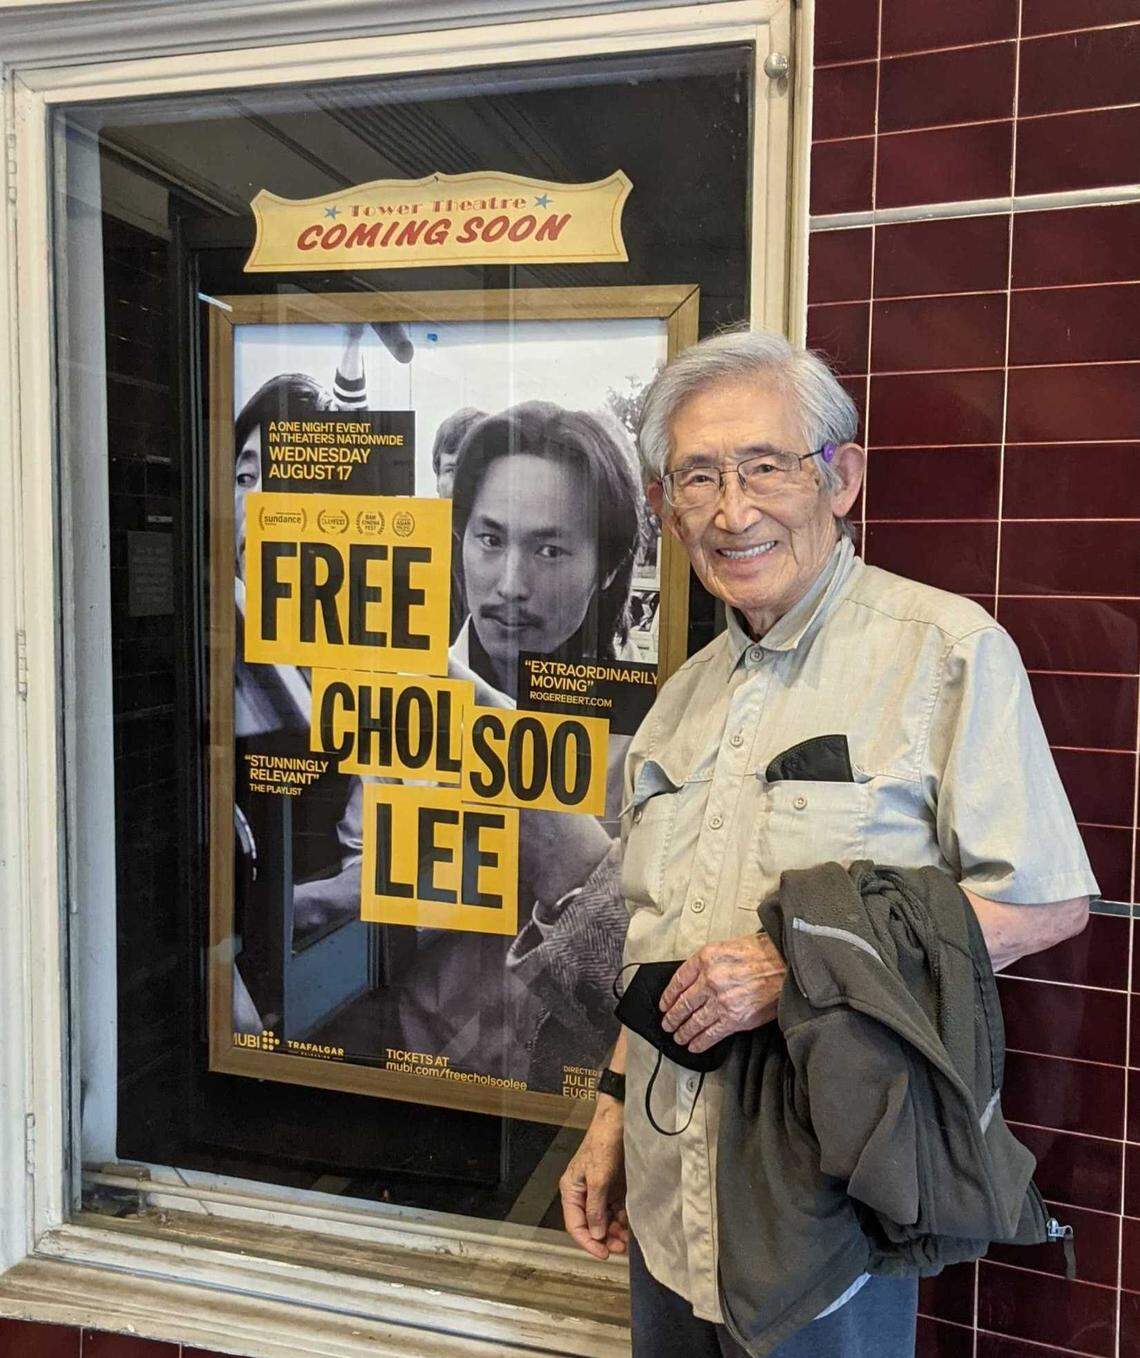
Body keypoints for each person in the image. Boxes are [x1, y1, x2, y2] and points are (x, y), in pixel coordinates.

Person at [559, 328, 1098, 1357]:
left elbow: (1045, 905)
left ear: (840, 478)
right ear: (669, 514)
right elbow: (651, 940)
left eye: (764, 466)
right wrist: (607, 1121)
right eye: (698, 478)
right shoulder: (678, 704)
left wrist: (792, 967)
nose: (733, 509)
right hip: (669, 1208)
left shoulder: (945, 652)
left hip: (822, 1215)